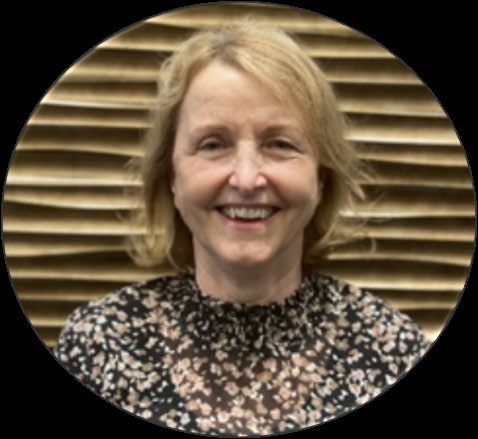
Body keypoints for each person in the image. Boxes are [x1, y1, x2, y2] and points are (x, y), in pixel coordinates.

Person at [54, 22, 429, 436]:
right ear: (172, 177)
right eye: (213, 144)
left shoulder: (393, 353)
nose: (247, 179)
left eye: (280, 144)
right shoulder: (97, 347)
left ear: (321, 178)